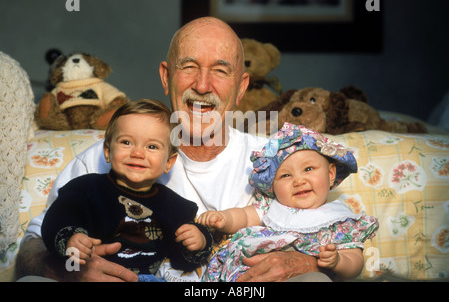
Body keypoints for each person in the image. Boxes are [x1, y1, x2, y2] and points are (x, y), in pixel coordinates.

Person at [17, 16, 327, 282]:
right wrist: (65, 267)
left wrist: (305, 262)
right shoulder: (107, 157)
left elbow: (340, 236)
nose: (203, 85)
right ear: (167, 77)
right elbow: (33, 244)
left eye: (220, 71)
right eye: (189, 67)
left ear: (241, 87)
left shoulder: (279, 161)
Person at [40, 99, 213, 282]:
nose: (138, 153)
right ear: (107, 150)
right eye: (126, 142)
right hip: (89, 275)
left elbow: (183, 260)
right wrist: (70, 240)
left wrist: (199, 242)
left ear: (169, 162)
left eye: (152, 146)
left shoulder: (174, 206)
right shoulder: (86, 189)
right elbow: (56, 219)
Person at [199, 123, 379, 282]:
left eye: (308, 169)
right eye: (285, 175)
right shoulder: (272, 206)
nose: (298, 181)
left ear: (331, 174)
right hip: (248, 271)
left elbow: (355, 263)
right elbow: (245, 216)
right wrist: (223, 218)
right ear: (273, 186)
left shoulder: (340, 221)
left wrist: (338, 261)